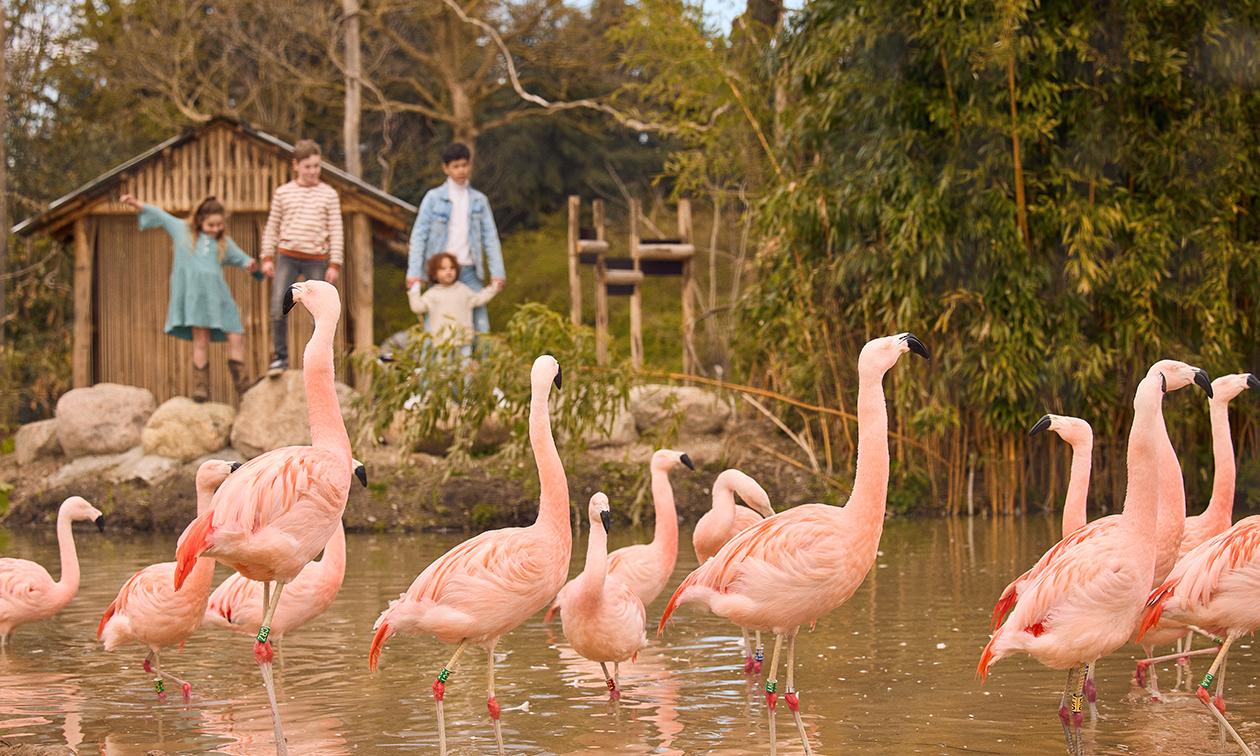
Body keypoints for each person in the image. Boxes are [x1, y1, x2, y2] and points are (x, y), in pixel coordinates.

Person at [119, 194, 262, 402]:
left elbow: (245, 260)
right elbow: (160, 215)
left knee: (236, 335)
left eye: (220, 224)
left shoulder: (223, 243)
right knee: (201, 339)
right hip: (195, 297)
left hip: (218, 296)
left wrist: (253, 266)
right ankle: (201, 387)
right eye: (211, 224)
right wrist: (135, 204)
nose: (216, 229)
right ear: (199, 221)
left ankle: (243, 384)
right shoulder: (182, 231)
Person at [260, 139, 344, 377]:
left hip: (316, 258)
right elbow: (272, 227)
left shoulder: (328, 194)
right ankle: (280, 357)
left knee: (320, 313)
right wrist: (267, 256)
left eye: (317, 166)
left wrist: (335, 262)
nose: (313, 171)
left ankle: (321, 360)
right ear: (296, 165)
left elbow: (336, 229)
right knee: (278, 306)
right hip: (287, 256)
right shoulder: (283, 193)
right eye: (307, 166)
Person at [406, 142, 505, 339]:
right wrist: (414, 273)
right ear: (445, 168)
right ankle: (432, 370)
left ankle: (482, 369)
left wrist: (498, 272)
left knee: (481, 328)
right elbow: (419, 236)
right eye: (455, 166)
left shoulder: (479, 200)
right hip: (442, 271)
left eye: (464, 165)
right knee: (435, 329)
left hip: (469, 271)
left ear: (470, 165)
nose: (461, 170)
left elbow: (490, 238)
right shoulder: (433, 198)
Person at [408, 253, 502, 356]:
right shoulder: (432, 294)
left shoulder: (462, 289)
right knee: (443, 369)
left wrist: (494, 288)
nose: (448, 271)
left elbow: (479, 299)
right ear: (434, 274)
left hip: (463, 340)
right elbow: (417, 307)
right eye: (443, 268)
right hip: (442, 343)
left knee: (463, 368)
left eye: (452, 268)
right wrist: (415, 288)